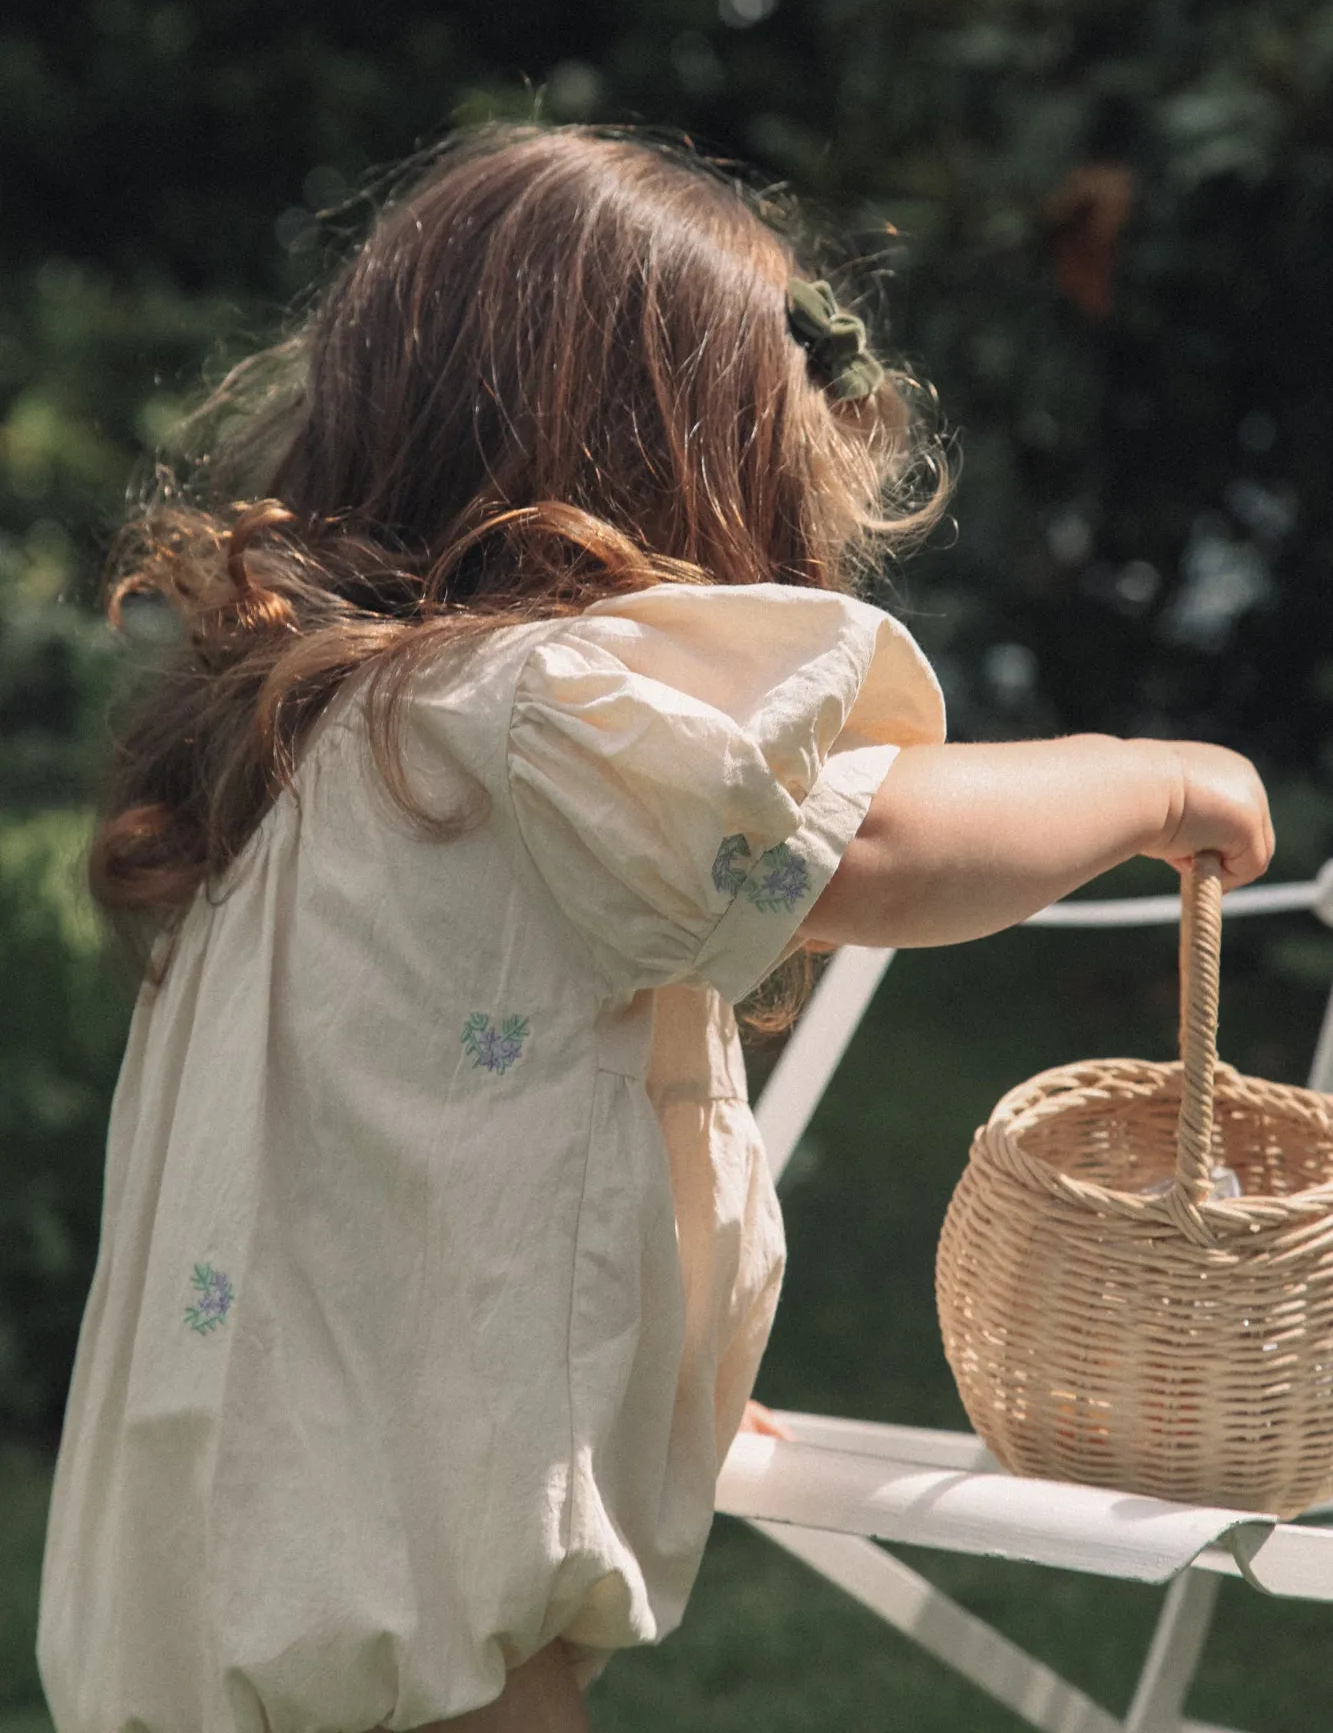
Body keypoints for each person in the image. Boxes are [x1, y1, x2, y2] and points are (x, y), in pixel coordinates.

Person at [36, 123, 1272, 1733]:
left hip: (227, 1579)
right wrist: (1146, 774)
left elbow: (422, 1164)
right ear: (668, 468)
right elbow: (880, 842)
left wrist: (654, 1401)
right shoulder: (531, 712)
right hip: (396, 1628)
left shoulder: (319, 744)